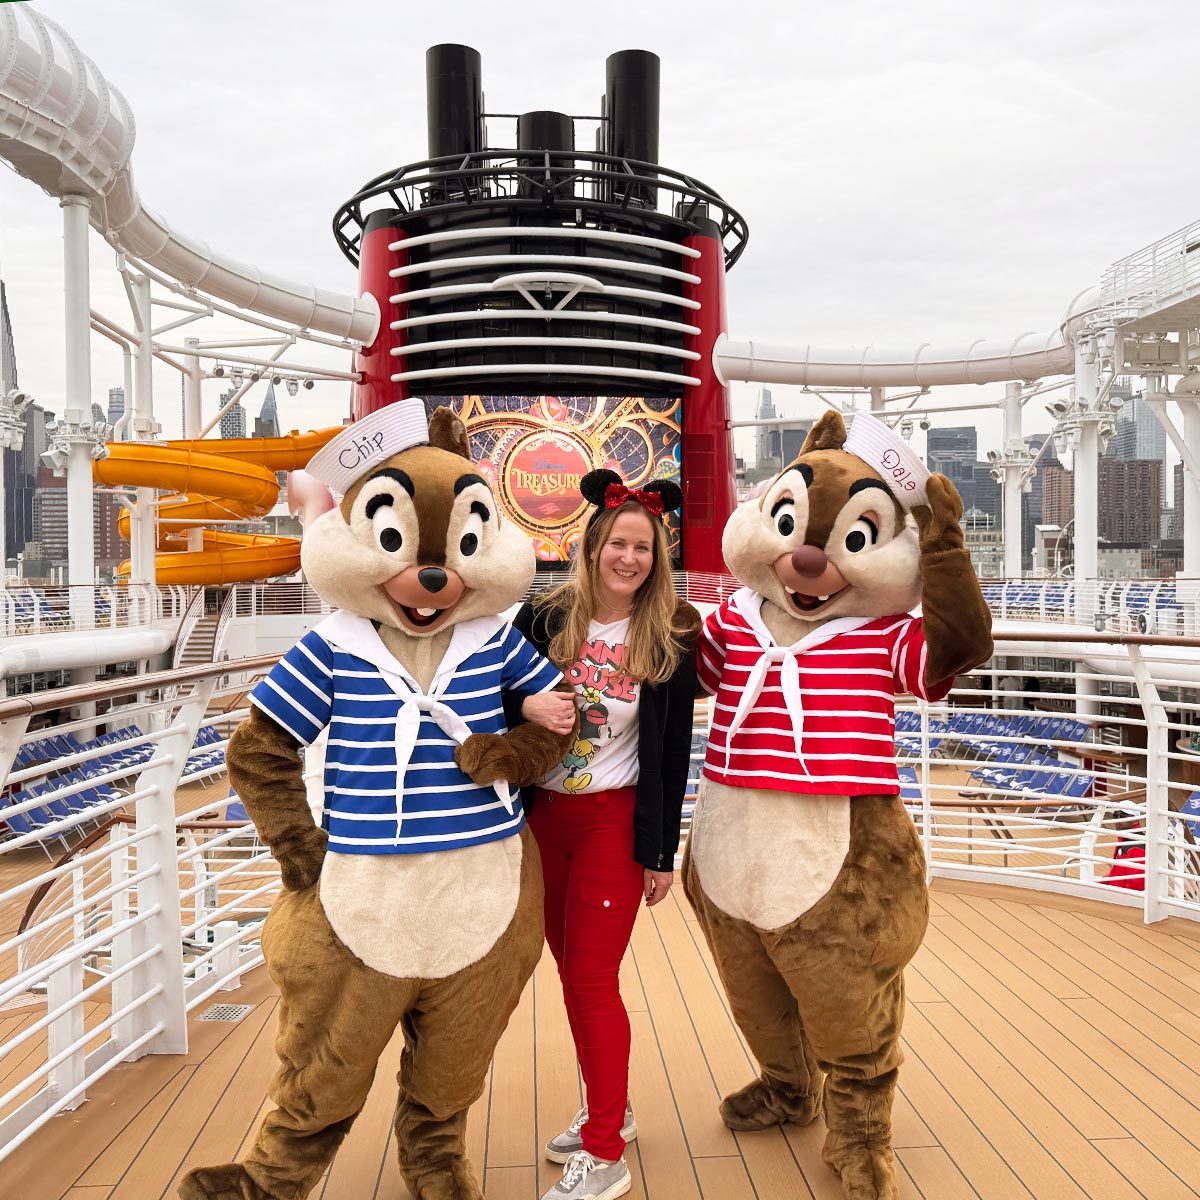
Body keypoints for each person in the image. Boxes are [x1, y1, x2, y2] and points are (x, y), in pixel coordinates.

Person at [507, 469, 700, 1200]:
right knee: (571, 977)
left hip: (612, 825)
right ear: (591, 548)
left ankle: (605, 1151)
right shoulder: (544, 620)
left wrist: (661, 853)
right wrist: (528, 709)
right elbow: (502, 697)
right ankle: (608, 1109)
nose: (629, 558)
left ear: (658, 560)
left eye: (644, 549)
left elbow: (673, 752)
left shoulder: (671, 636)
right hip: (543, 821)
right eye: (618, 543)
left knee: (591, 981)